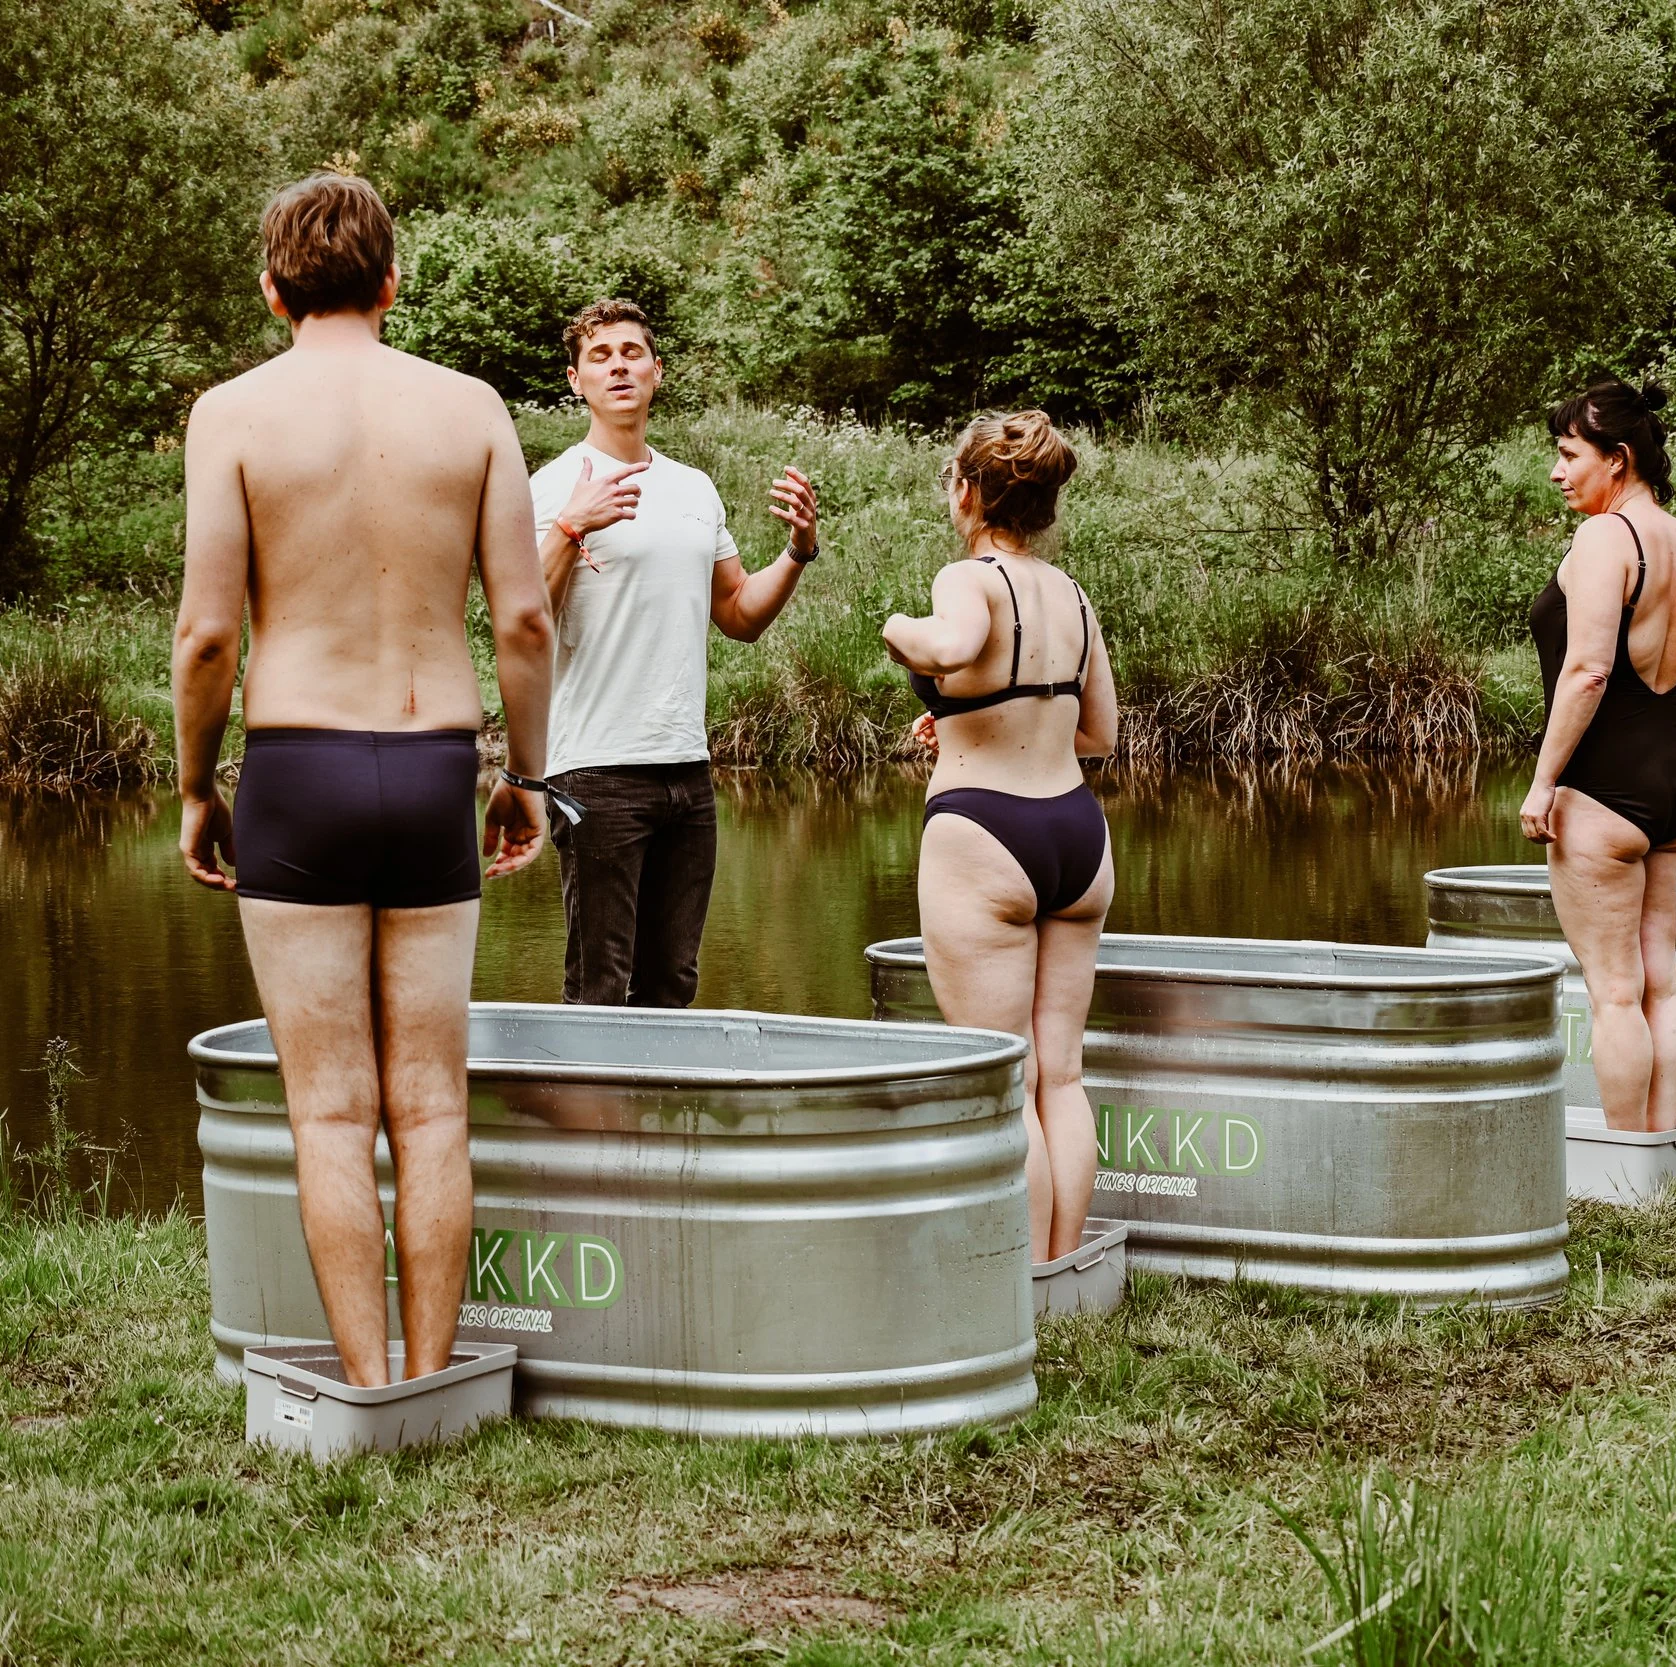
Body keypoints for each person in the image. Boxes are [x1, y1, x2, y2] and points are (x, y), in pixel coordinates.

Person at [172, 173, 556, 1388]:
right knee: (430, 1105)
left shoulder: (231, 414)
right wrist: (525, 776)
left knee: (331, 1109)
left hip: (298, 767)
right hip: (435, 760)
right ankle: (436, 1377)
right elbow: (527, 622)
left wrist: (197, 784)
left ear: (272, 286)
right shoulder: (471, 406)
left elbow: (206, 640)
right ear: (393, 282)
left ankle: (371, 1383)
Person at [529, 298, 819, 1008]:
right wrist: (571, 525)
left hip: (687, 774)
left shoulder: (694, 488)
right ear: (576, 381)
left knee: (672, 986)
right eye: (600, 356)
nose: (618, 365)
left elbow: (740, 614)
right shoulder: (549, 487)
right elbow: (524, 617)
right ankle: (594, 1118)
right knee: (597, 987)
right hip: (593, 771)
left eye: (632, 352)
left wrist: (798, 552)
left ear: (656, 371)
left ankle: (650, 1121)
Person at [881, 412, 1115, 1264]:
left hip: (986, 835)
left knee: (1008, 1078)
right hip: (1076, 835)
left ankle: (1023, 1280)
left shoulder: (966, 577)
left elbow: (951, 644)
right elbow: (1099, 735)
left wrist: (896, 627)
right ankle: (1064, 1265)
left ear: (969, 492)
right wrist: (972, 721)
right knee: (1064, 1074)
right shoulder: (1073, 596)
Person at [1520, 378, 1676, 1133]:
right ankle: (1662, 1146)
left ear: (1619, 459)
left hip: (1599, 790)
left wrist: (1545, 783)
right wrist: (1673, 778)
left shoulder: (1606, 538)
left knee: (1611, 989)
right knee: (1658, 983)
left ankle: (1626, 1161)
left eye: (1570, 455)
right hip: (1671, 784)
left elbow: (1589, 669)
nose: (1557, 471)